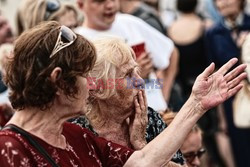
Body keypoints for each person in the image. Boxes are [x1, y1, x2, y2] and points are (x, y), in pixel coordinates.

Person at [0, 21, 247, 166]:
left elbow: (140, 162)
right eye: (84, 76)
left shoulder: (73, 136)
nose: (90, 84)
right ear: (58, 81)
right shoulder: (9, 150)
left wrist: (196, 105)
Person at [70, 36, 184, 165]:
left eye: (137, 71)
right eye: (128, 75)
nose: (140, 81)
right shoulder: (77, 133)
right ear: (98, 89)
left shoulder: (149, 119)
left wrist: (141, 146)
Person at [76, 0, 179, 112]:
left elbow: (171, 52)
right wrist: (132, 76)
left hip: (160, 114)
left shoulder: (129, 23)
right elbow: (90, 90)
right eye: (100, 1)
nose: (110, 5)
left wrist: (164, 96)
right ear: (81, 5)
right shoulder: (80, 42)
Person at [205, 0, 250, 166]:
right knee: (241, 151)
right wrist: (222, 116)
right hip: (232, 99)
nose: (221, 4)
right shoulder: (213, 33)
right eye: (217, 1)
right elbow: (215, 73)